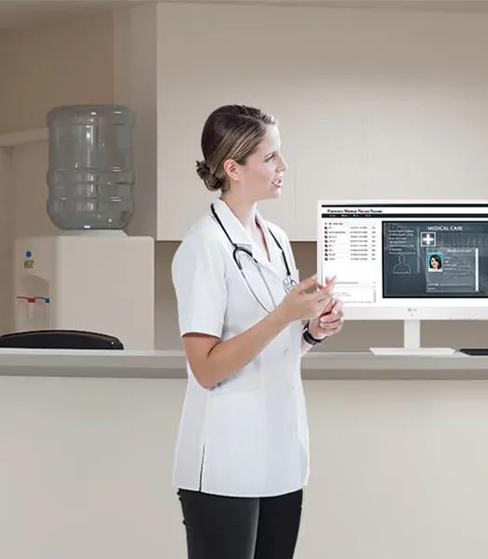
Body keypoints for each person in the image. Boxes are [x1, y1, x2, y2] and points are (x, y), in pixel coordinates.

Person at [171, 105, 344, 559]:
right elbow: (205, 369)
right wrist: (283, 317)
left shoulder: (278, 239)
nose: (282, 167)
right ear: (233, 168)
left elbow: (276, 349)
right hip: (225, 462)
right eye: (271, 157)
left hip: (281, 457)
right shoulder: (203, 246)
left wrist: (310, 331)